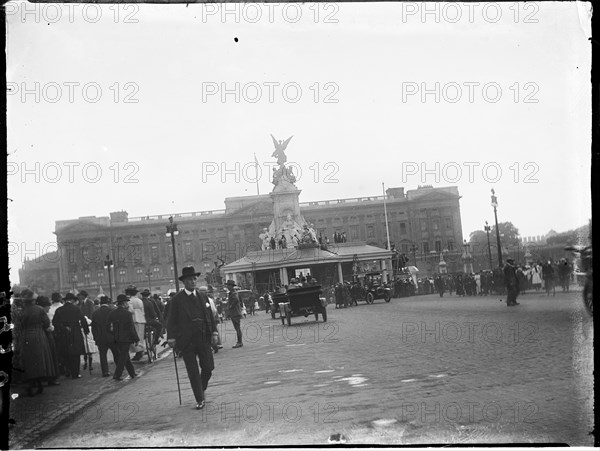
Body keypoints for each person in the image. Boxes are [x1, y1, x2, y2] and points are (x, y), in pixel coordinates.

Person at [167, 266, 219, 409]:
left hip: (203, 337)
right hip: (186, 340)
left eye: (194, 279)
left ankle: (200, 388)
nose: (193, 281)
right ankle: (200, 399)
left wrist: (214, 332)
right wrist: (171, 337)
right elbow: (171, 320)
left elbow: (211, 316)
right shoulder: (177, 300)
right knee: (193, 371)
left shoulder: (203, 297)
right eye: (190, 279)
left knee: (208, 367)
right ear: (184, 282)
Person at [20, 290, 59, 395]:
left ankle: (31, 383)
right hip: (39, 336)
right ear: (33, 300)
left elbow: (20, 325)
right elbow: (46, 323)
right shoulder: (39, 309)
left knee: (29, 361)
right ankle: (40, 382)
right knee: (41, 359)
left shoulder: (22, 311)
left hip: (26, 337)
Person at [53, 292, 89, 379]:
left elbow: (55, 322)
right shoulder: (76, 309)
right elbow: (83, 320)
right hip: (75, 331)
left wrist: (62, 328)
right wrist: (86, 330)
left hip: (64, 333)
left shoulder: (59, 310)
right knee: (76, 354)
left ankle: (68, 370)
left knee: (66, 352)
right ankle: (75, 373)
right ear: (72, 300)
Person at [107, 295, 139, 381]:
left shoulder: (112, 313)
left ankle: (132, 372)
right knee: (123, 357)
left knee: (125, 356)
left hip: (116, 338)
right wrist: (136, 338)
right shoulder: (127, 314)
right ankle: (117, 374)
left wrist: (113, 334)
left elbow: (108, 327)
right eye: (126, 303)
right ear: (124, 303)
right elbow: (131, 327)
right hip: (126, 338)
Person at [91, 297, 118, 377]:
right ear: (108, 303)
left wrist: (96, 338)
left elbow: (94, 328)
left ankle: (105, 371)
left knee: (103, 356)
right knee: (116, 354)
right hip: (112, 337)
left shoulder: (95, 313)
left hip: (101, 337)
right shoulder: (112, 311)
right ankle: (119, 368)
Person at [125, 285, 146, 361]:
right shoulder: (139, 300)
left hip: (134, 319)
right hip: (141, 319)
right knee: (140, 336)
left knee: (135, 336)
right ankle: (141, 350)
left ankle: (138, 352)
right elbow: (142, 310)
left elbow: (130, 310)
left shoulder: (129, 301)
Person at [225, 279, 243, 348]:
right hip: (236, 312)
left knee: (237, 328)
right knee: (237, 328)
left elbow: (236, 300)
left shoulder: (233, 293)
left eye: (228, 285)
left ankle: (239, 342)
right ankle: (239, 342)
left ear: (231, 286)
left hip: (235, 313)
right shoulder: (233, 292)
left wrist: (230, 306)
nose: (227, 287)